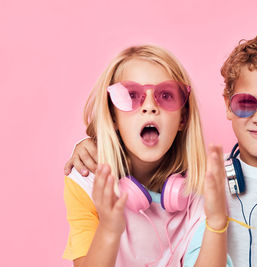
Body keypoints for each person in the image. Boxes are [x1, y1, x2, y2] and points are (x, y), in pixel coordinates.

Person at [65, 32, 257, 266]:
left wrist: (215, 221)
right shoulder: (207, 180)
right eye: (246, 103)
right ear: (227, 104)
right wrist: (90, 143)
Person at [63, 45, 232, 267]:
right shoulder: (86, 182)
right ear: (113, 116)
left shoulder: (199, 191)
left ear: (182, 119)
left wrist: (217, 222)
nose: (150, 107)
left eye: (166, 95)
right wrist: (109, 231)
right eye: (131, 95)